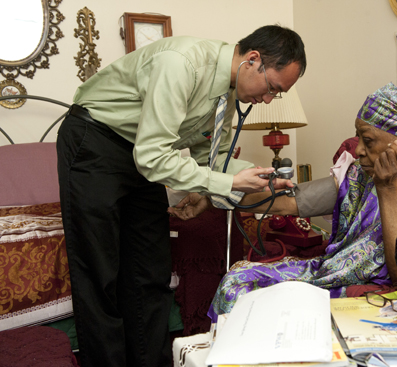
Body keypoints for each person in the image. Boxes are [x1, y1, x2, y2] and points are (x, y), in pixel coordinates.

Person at [56, 24, 305, 367]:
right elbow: (154, 157)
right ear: (253, 59)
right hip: (96, 140)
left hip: (142, 156)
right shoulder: (182, 64)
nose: (267, 100)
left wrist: (261, 178)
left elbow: (212, 158)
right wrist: (225, 184)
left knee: (151, 272)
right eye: (271, 89)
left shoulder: (226, 97)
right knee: (100, 273)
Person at [197, 82, 397, 317]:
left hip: (392, 290)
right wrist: (214, 197)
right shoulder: (359, 174)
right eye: (358, 138)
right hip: (335, 271)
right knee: (237, 281)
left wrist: (387, 191)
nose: (359, 150)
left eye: (368, 140)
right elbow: (292, 201)